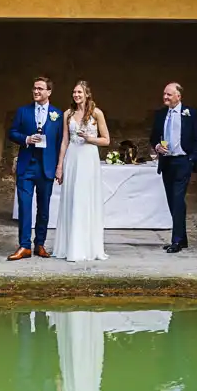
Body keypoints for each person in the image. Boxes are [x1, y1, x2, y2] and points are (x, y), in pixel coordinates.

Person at [8, 76, 64, 261]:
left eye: (40, 88)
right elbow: (12, 132)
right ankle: (24, 246)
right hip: (27, 166)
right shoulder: (23, 111)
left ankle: (40, 243)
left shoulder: (57, 114)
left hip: (46, 167)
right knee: (24, 206)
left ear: (49, 92)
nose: (36, 91)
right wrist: (26, 139)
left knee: (44, 208)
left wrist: (59, 166)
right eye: (34, 88)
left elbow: (60, 142)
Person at [53, 80, 110, 263]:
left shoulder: (96, 113)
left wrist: (90, 138)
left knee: (85, 200)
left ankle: (87, 247)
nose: (76, 95)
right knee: (72, 199)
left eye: (79, 92)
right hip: (73, 157)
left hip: (88, 158)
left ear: (87, 94)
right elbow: (64, 141)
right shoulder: (67, 114)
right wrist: (60, 166)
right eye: (74, 92)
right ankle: (70, 246)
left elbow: (106, 140)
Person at [150, 81, 197, 254]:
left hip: (183, 161)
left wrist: (192, 159)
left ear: (178, 96)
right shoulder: (160, 114)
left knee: (178, 198)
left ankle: (177, 240)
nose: (165, 97)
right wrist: (157, 146)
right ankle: (183, 238)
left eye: (169, 94)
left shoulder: (190, 114)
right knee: (173, 201)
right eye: (164, 94)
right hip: (167, 161)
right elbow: (153, 137)